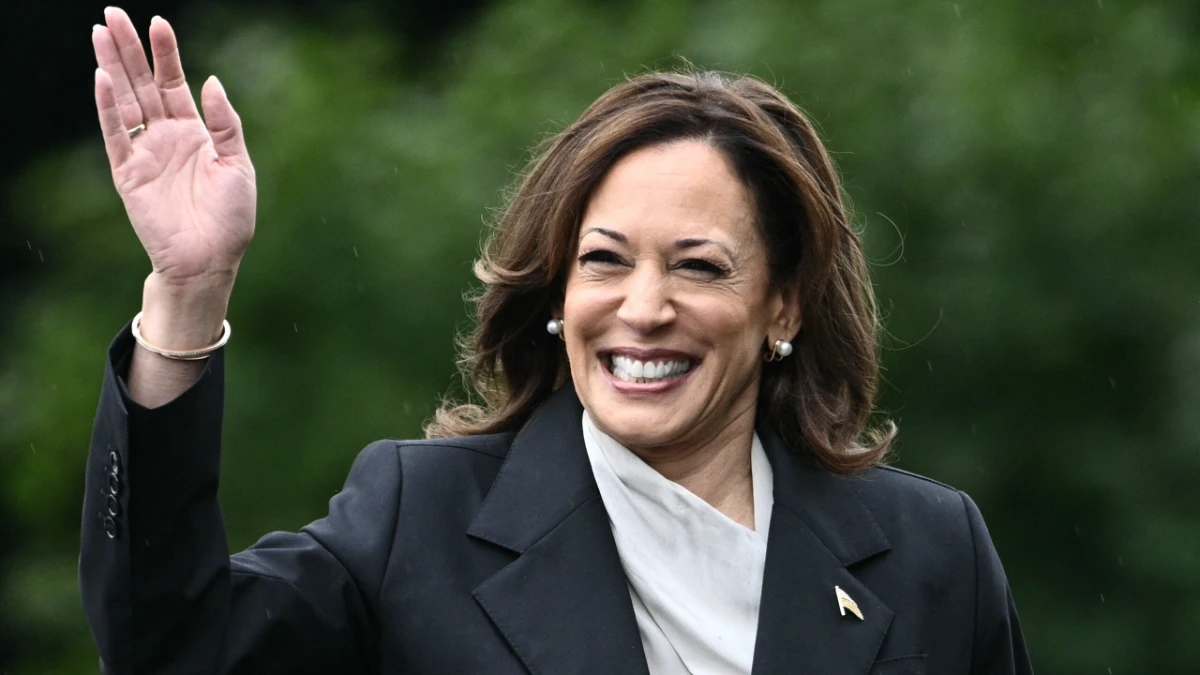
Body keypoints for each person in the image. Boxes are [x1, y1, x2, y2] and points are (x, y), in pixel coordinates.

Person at [80, 6, 1033, 674]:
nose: (643, 307)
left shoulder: (931, 550)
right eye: (605, 260)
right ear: (557, 291)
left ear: (782, 308)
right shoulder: (421, 520)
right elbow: (171, 650)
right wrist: (188, 295)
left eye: (698, 267)